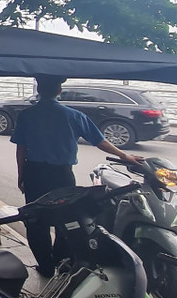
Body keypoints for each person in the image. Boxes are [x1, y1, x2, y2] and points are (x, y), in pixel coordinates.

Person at [11, 74, 144, 273]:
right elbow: (101, 142)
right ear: (59, 91)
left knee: (36, 220)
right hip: (62, 175)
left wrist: (21, 175)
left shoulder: (27, 115)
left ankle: (46, 266)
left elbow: (20, 148)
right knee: (67, 219)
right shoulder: (74, 116)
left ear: (38, 90)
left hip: (34, 173)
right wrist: (125, 156)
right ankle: (60, 261)